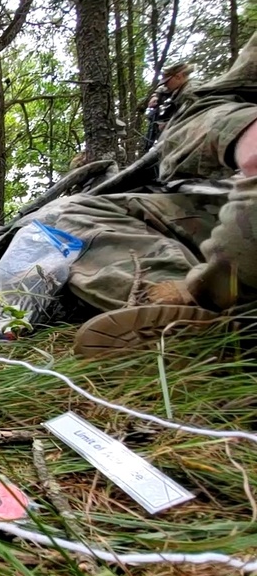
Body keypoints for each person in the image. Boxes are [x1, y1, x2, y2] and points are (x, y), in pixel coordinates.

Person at [16, 34, 257, 355]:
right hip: (218, 203)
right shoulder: (172, 104)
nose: (167, 82)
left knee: (74, 215)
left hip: (230, 215)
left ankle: (193, 317)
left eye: (171, 77)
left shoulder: (206, 100)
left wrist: (204, 291)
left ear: (182, 76)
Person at [144, 62, 193, 150]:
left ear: (178, 77)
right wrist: (155, 96)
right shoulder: (178, 87)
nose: (165, 84)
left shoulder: (190, 92)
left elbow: (191, 119)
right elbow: (162, 89)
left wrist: (168, 125)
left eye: (167, 81)